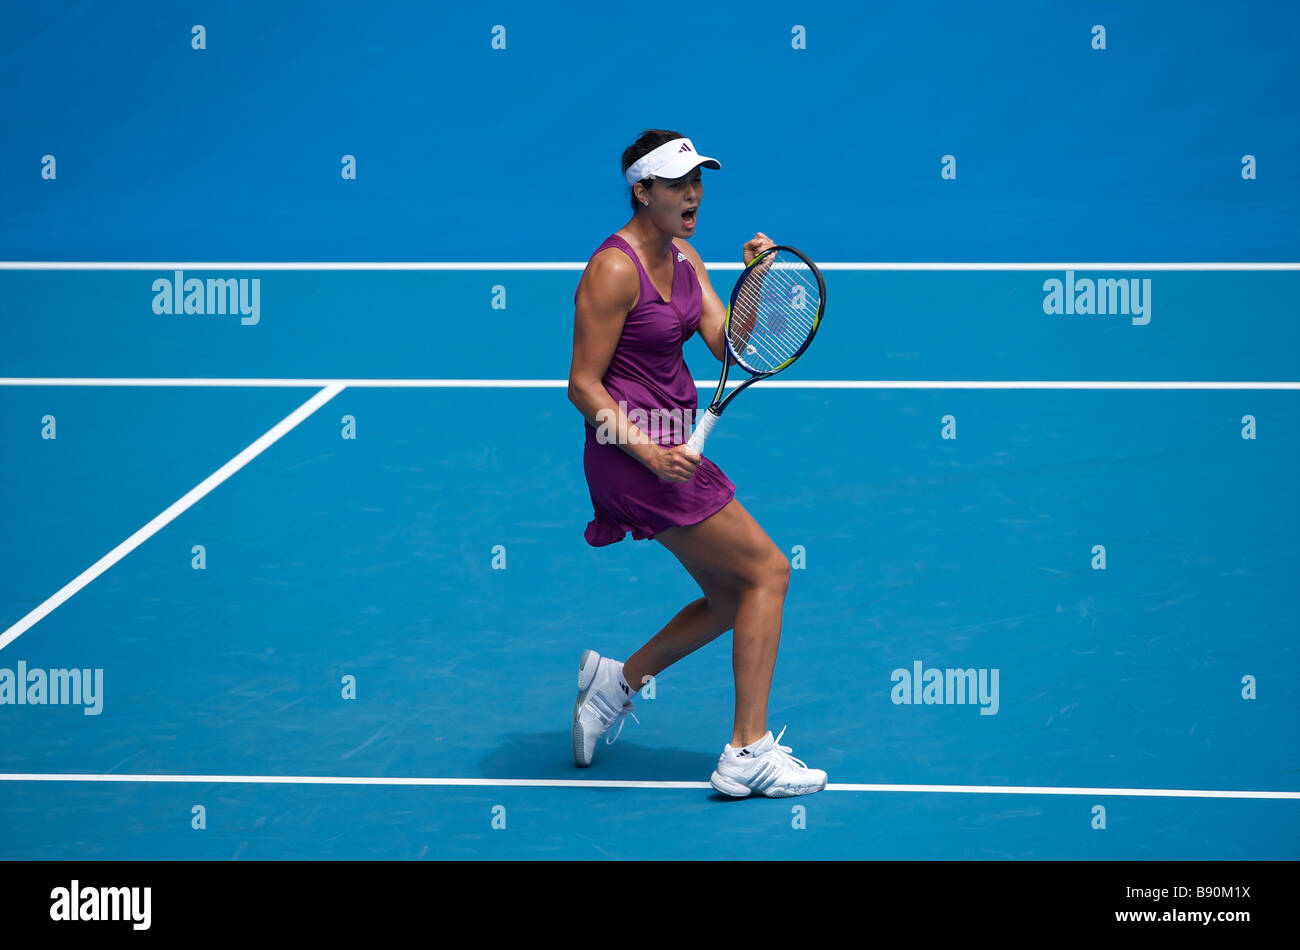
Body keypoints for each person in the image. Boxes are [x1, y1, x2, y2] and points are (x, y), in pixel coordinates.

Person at [566, 129, 827, 798]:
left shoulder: (685, 256)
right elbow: (582, 386)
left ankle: (613, 685)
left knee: (729, 596)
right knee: (768, 571)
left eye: (699, 181)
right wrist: (648, 450)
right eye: (678, 183)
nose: (694, 194)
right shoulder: (613, 269)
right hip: (633, 457)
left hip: (671, 454)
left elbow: (724, 345)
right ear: (640, 191)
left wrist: (757, 281)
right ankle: (748, 750)